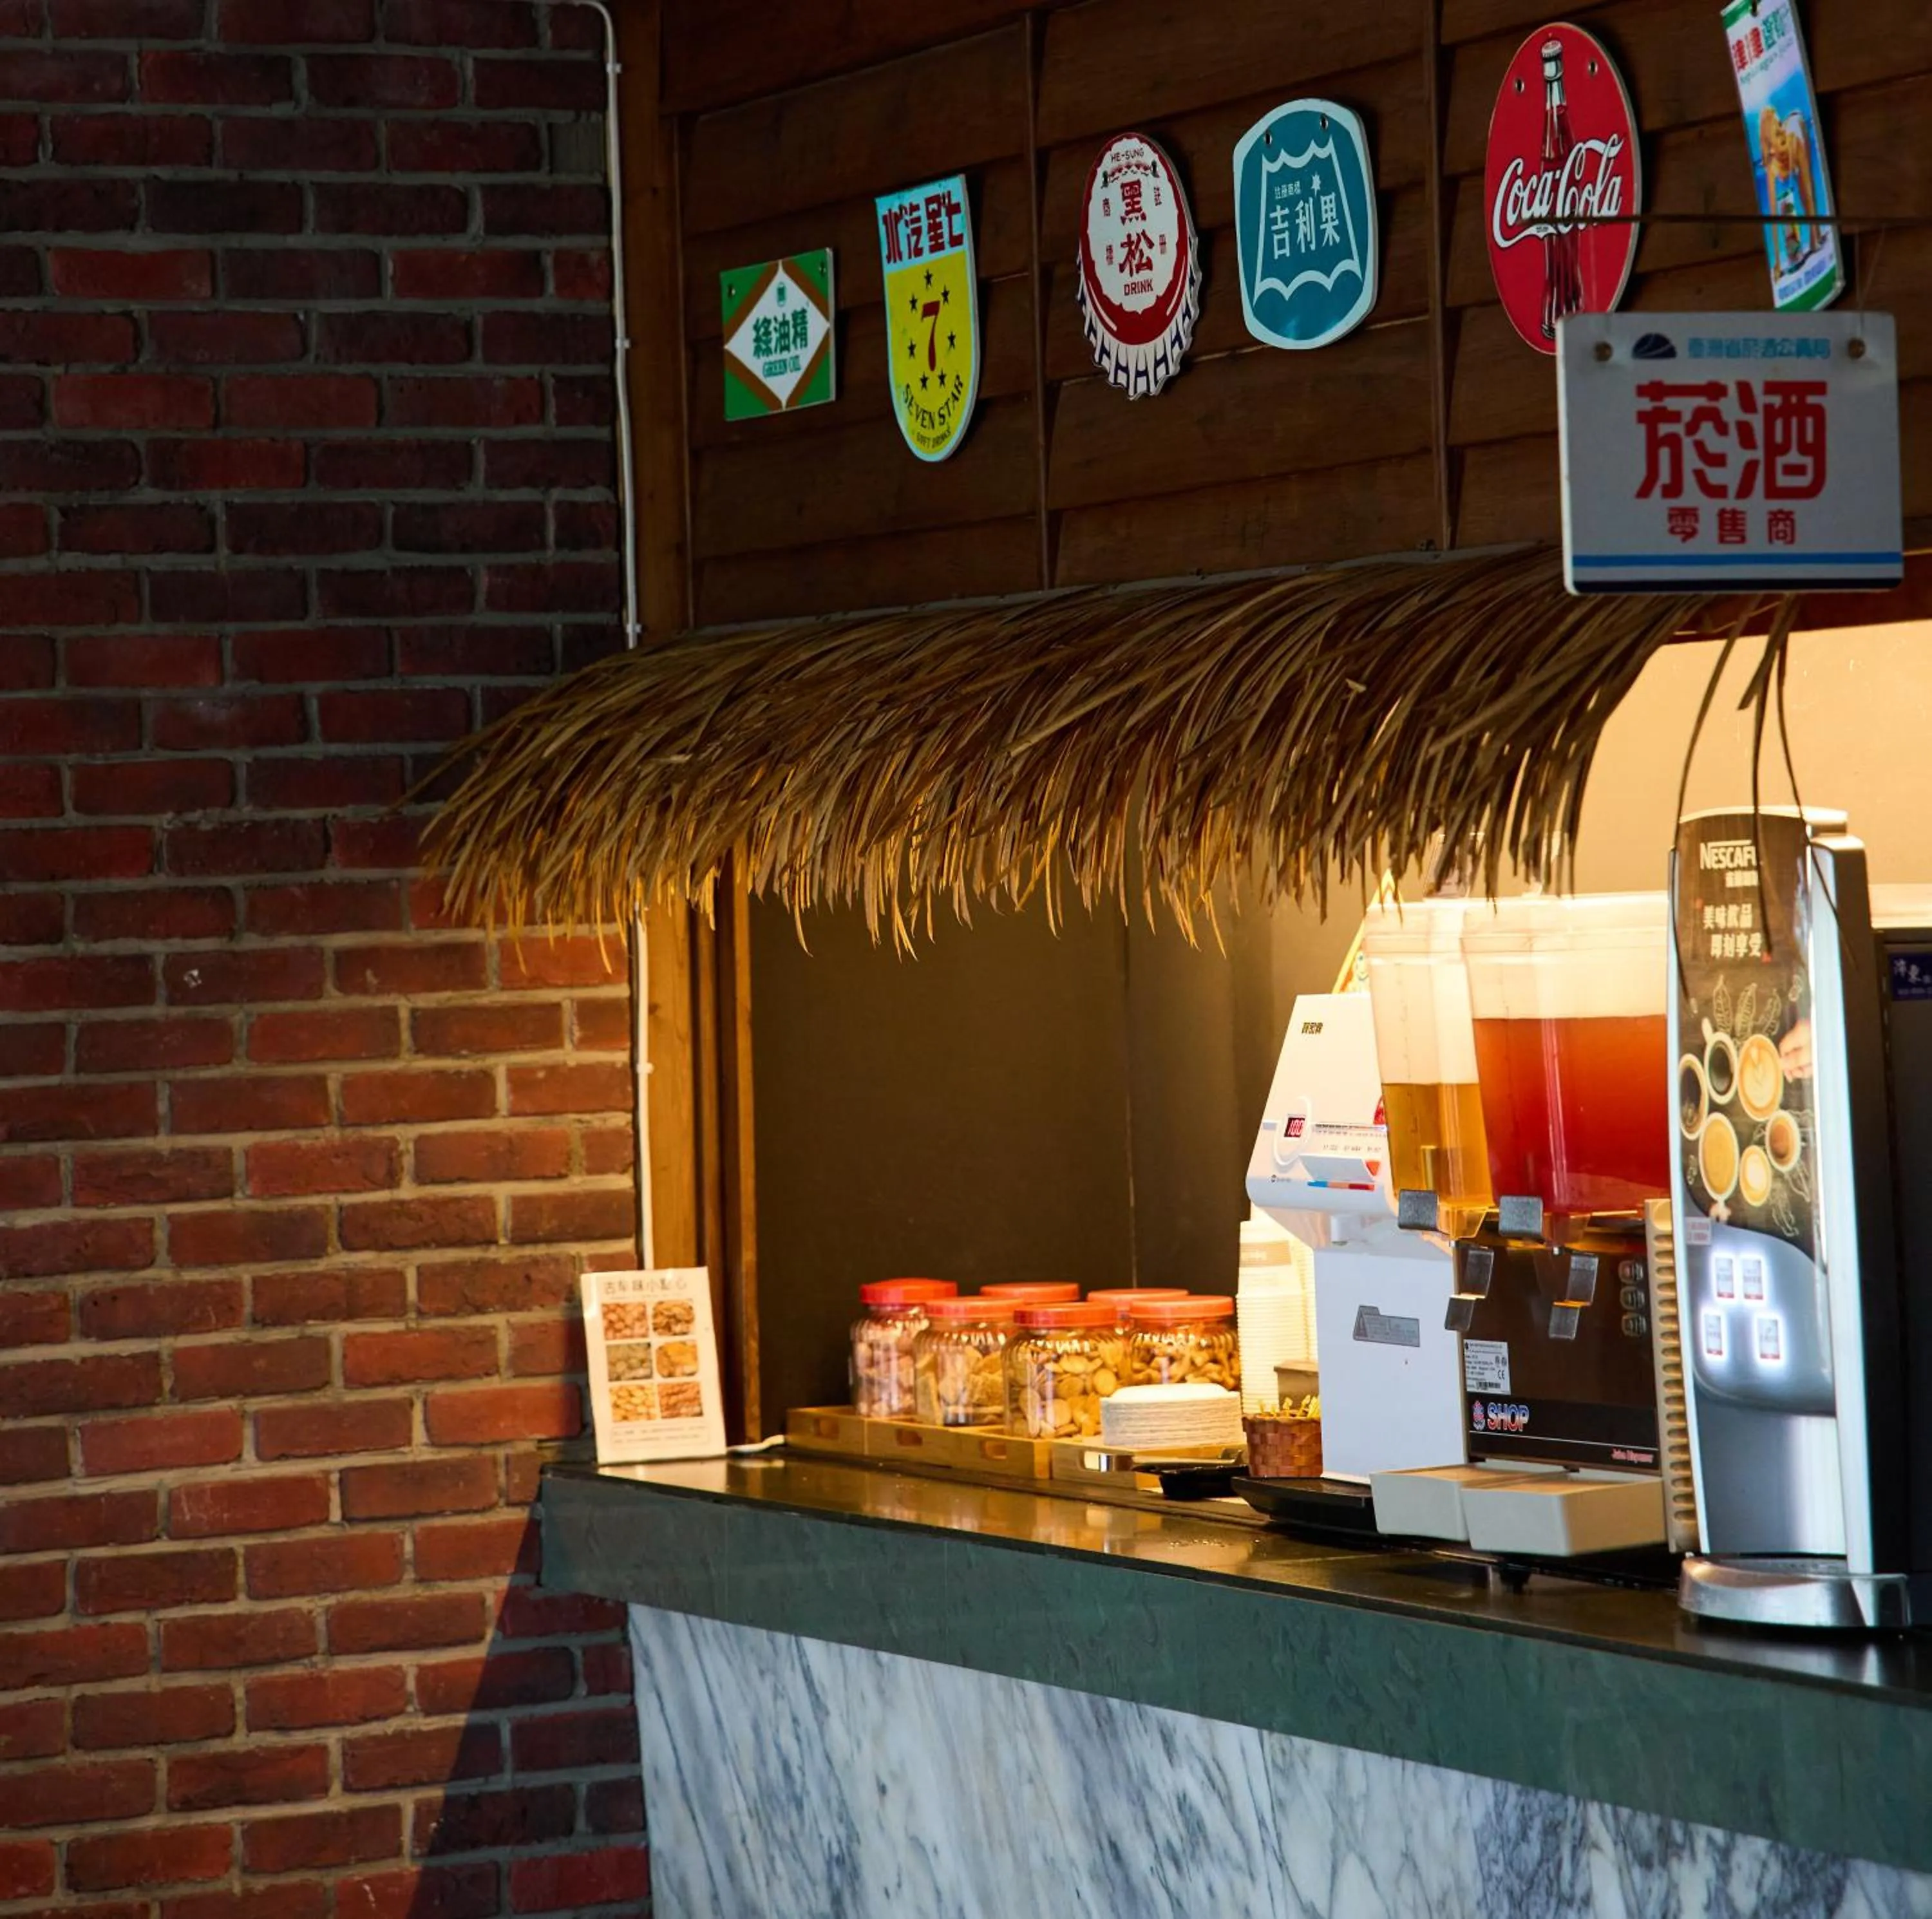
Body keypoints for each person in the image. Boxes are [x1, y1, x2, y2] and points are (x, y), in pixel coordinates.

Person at [1757, 104, 1821, 269]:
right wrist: (1777, 262)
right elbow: (1773, 216)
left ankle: (1816, 235)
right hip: (1784, 157)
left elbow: (1808, 189)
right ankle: (1810, 239)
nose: (1782, 134)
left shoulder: (1792, 138)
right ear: (1771, 149)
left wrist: (1814, 241)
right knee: (1789, 205)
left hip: (1798, 126)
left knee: (1806, 187)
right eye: (1777, 134)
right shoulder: (1772, 166)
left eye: (1780, 126)